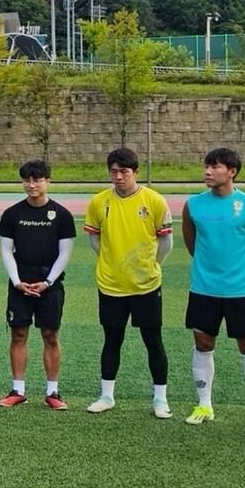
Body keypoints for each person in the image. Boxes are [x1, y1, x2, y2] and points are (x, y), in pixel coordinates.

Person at [181, 148, 245, 432]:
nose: (207, 172)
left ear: (232, 171)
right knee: (203, 344)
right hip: (203, 290)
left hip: (241, 291)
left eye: (215, 166)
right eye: (206, 166)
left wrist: (240, 273)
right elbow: (192, 245)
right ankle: (204, 404)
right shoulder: (193, 205)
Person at [83, 148, 172, 417]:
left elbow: (165, 243)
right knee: (112, 339)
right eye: (113, 171)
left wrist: (151, 266)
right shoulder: (99, 202)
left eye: (124, 171)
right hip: (111, 285)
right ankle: (107, 396)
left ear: (136, 172)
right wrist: (112, 263)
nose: (118, 177)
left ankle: (160, 399)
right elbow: (95, 240)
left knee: (153, 340)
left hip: (146, 284)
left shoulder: (154, 201)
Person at [0, 159, 74, 410]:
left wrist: (48, 281)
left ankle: (53, 392)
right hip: (20, 284)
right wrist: (17, 281)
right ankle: (18, 390)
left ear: (48, 181)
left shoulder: (62, 215)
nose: (32, 185)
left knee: (50, 335)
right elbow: (7, 251)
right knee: (19, 334)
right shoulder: (12, 214)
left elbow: (65, 253)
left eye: (37, 179)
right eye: (27, 180)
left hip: (49, 284)